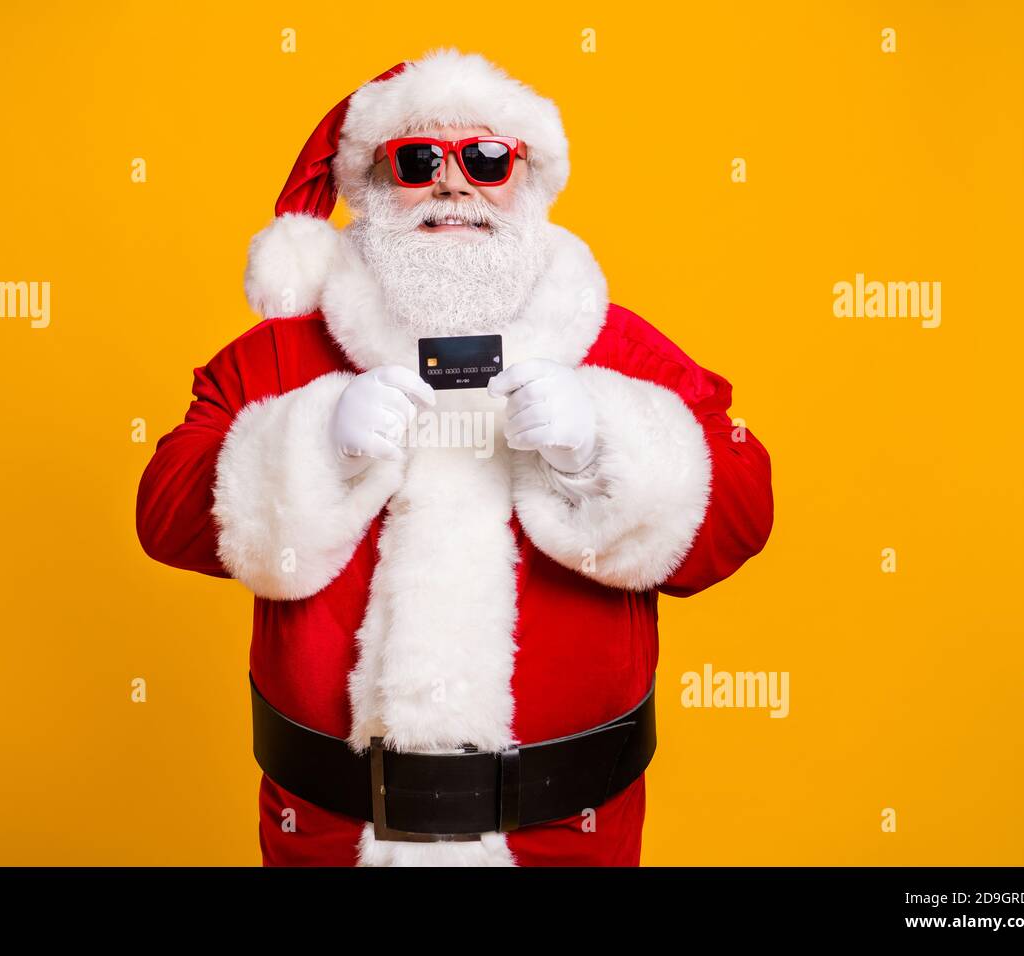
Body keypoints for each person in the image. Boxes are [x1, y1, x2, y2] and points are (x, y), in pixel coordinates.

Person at [136, 47, 774, 866]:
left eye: (485, 158)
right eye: (416, 160)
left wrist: (605, 446)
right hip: (329, 834)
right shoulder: (277, 361)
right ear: (368, 186)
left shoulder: (620, 351)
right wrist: (316, 443)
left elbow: (744, 515)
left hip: (569, 837)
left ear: (527, 181)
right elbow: (163, 516)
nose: (453, 184)